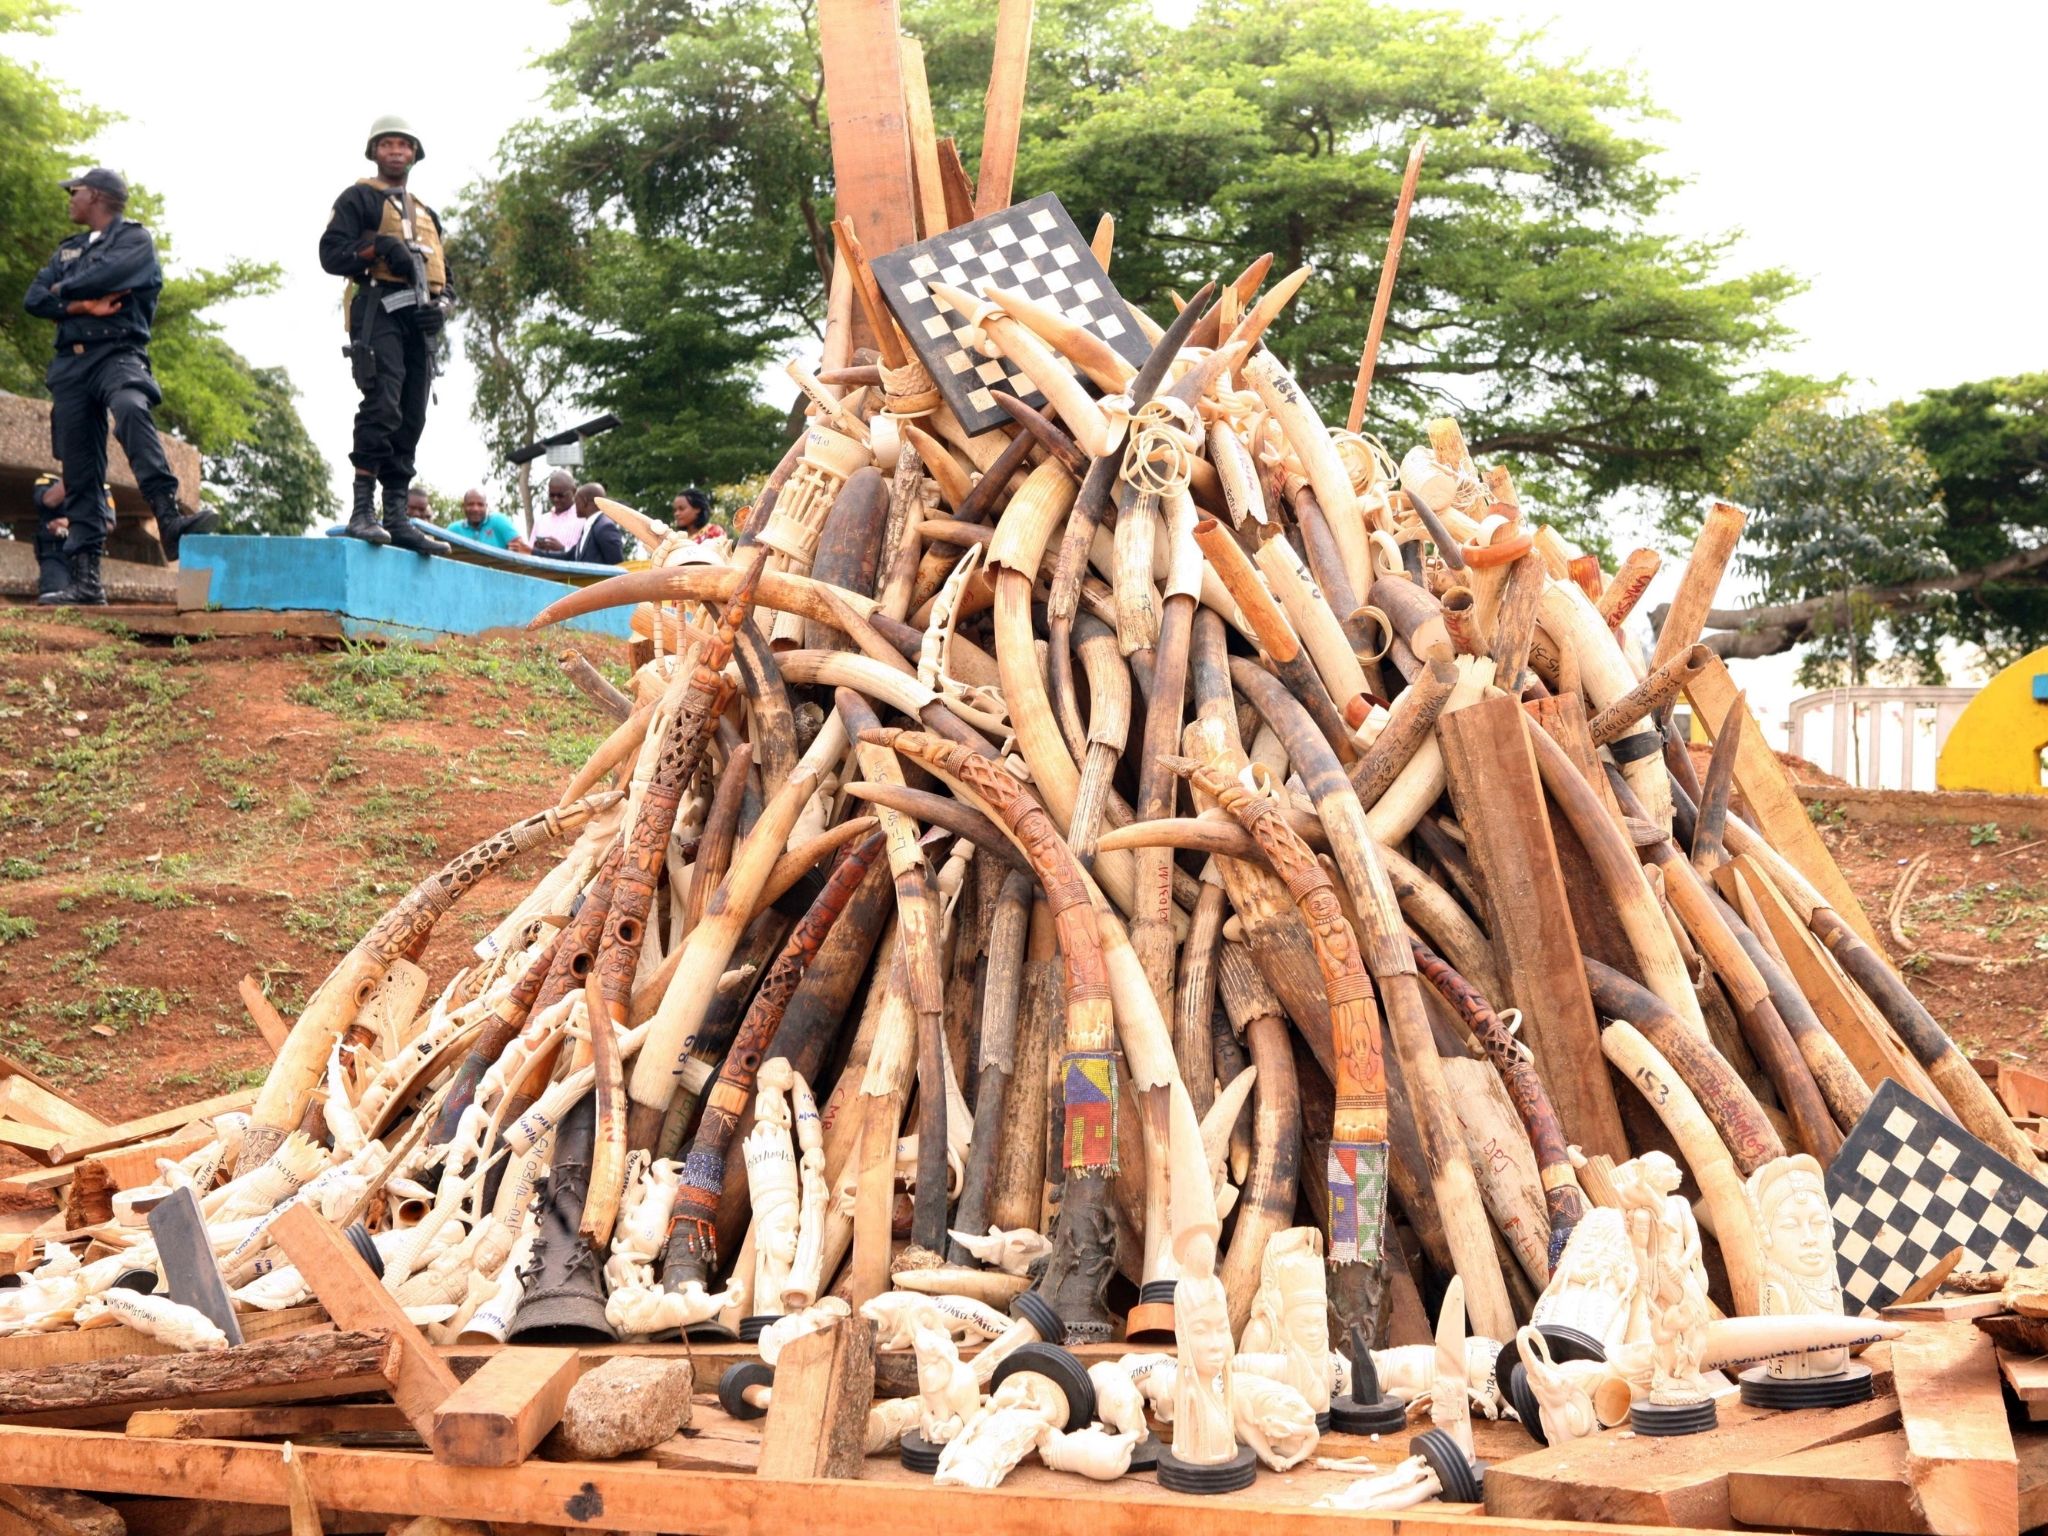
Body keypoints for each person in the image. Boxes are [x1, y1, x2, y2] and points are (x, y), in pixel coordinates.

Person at [22, 168, 213, 605]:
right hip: (70, 364)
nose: (70, 198)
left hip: (118, 352)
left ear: (96, 195)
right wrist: (83, 304)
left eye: (76, 191)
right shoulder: (68, 248)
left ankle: (168, 517)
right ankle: (87, 580)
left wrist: (62, 292)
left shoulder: (133, 241)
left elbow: (97, 277)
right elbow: (34, 299)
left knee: (130, 406)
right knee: (80, 464)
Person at [319, 115, 453, 556]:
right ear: (374, 151)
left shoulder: (426, 213)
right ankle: (363, 511)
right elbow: (331, 254)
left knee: (412, 413)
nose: (396, 151)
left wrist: (442, 309)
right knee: (383, 402)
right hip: (379, 310)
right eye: (387, 144)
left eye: (404, 145)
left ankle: (396, 514)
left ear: (414, 154)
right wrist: (378, 248)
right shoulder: (359, 198)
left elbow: (447, 280)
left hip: (419, 320)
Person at [444, 487, 522, 550]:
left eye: (480, 505)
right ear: (463, 506)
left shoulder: (499, 521)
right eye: (470, 504)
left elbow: (522, 549)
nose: (475, 509)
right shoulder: (453, 530)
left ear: (486, 506)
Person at [527, 469, 583, 555]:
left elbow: (587, 556)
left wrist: (563, 549)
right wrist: (537, 548)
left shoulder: (583, 520)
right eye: (551, 495)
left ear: (574, 491)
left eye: (561, 495)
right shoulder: (541, 520)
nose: (555, 499)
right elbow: (529, 551)